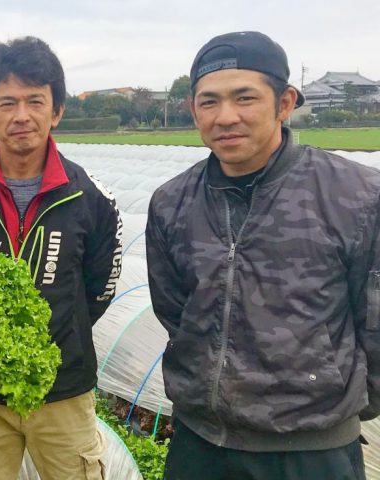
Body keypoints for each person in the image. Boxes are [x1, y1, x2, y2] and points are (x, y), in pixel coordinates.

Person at [146, 31, 380, 480]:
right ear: (193, 109)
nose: (225, 116)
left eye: (245, 97)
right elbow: (175, 311)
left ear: (285, 102)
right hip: (201, 446)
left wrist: (334, 399)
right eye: (208, 102)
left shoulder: (356, 196)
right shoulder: (172, 202)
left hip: (310, 451)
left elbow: (374, 321)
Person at [0, 36, 122, 480]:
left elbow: (99, 290)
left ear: (56, 110)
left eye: (35, 101)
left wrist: (58, 334)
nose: (22, 116)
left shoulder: (90, 196)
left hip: (65, 392)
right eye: (7, 103)